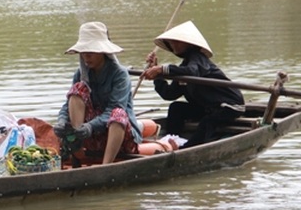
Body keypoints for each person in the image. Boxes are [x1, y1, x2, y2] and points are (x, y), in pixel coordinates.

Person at [141, 21, 245, 147]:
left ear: (188, 44)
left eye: (177, 41)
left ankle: (187, 148)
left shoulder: (199, 59)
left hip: (229, 106)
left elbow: (192, 72)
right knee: (176, 108)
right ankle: (172, 139)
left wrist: (162, 69)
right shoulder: (184, 67)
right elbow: (168, 94)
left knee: (208, 122)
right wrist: (157, 74)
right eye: (172, 42)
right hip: (208, 107)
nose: (173, 44)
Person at [54, 22, 143, 166]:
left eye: (91, 53)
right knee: (77, 89)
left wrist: (90, 126)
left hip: (118, 135)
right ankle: (76, 144)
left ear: (102, 52)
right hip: (89, 136)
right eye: (83, 53)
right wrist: (62, 121)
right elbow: (68, 104)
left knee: (118, 114)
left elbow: (114, 108)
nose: (86, 57)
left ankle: (106, 166)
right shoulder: (81, 74)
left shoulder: (119, 74)